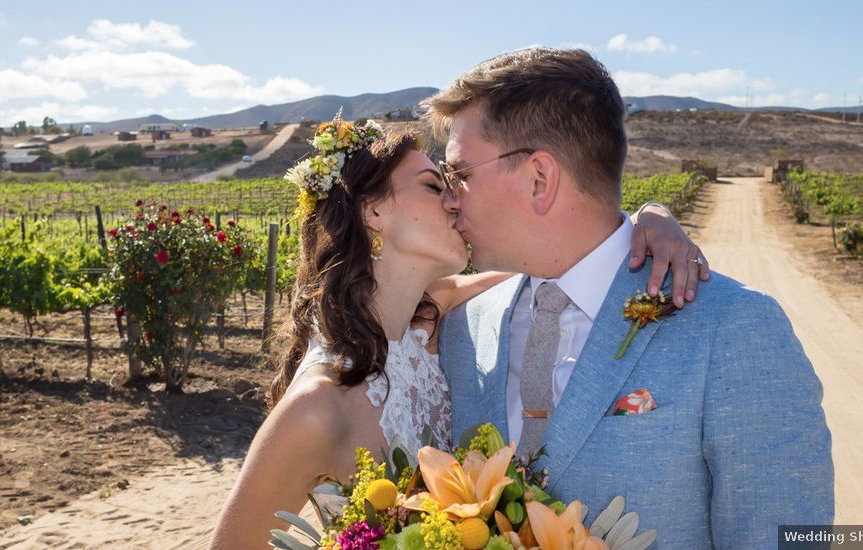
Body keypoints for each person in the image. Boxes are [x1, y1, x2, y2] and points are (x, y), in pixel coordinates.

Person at [209, 114, 709, 548]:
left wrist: (649, 218)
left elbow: (566, 255)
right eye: (432, 185)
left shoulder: (432, 315)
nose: (454, 201)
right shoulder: (318, 406)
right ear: (372, 210)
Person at [429, 47, 834, 549]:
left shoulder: (734, 328)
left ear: (540, 178)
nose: (448, 197)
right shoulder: (460, 327)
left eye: (461, 175)